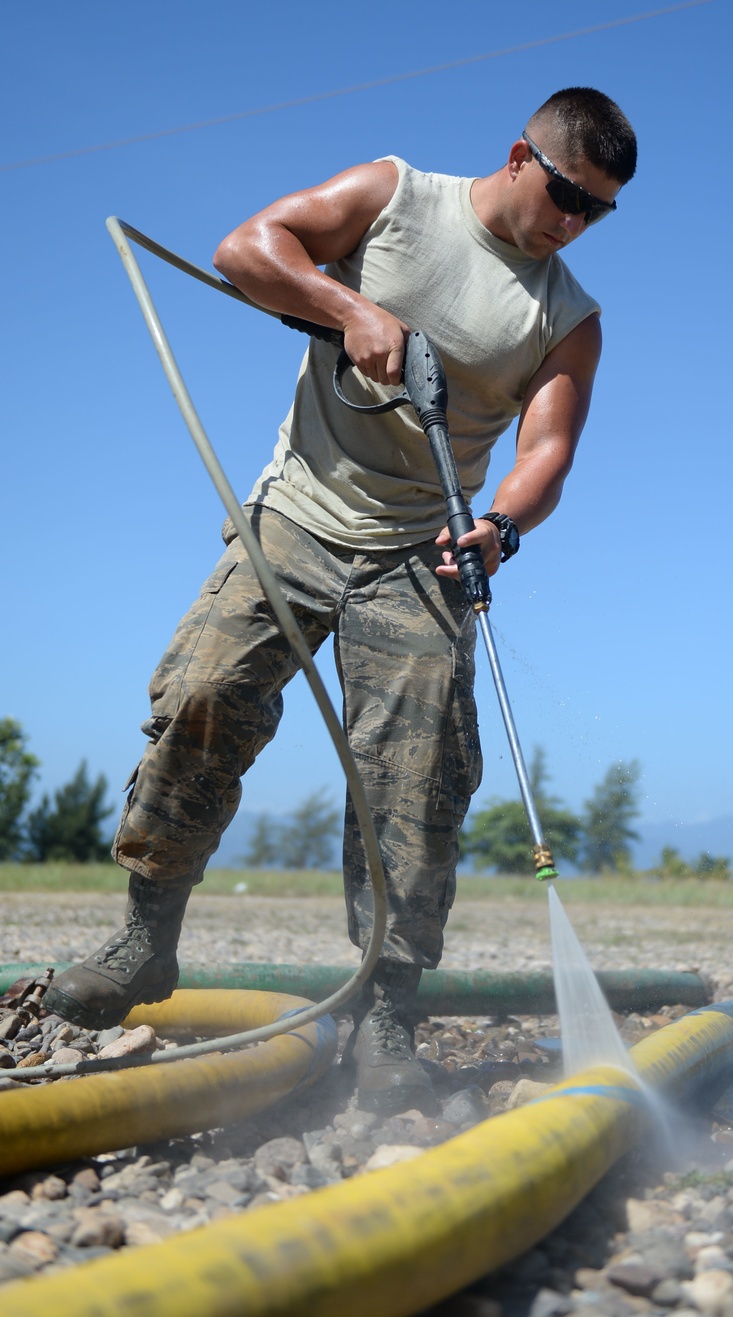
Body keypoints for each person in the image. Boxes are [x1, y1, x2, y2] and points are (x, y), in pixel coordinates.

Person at [46, 87, 637, 1114]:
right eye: (566, 194)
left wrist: (499, 526)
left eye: (598, 211)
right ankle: (146, 940)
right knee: (202, 694)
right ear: (517, 157)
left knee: (419, 779)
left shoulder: (566, 318)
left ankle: (387, 1014)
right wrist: (353, 310)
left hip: (423, 548)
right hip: (299, 511)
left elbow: (547, 453)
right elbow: (246, 248)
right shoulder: (394, 194)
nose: (574, 222)